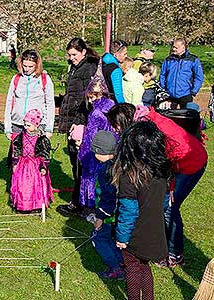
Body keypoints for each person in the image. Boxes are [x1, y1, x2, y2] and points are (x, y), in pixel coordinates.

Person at [107, 103, 208, 267]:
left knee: (169, 208)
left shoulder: (149, 130)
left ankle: (174, 254)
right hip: (175, 163)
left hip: (191, 163)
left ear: (124, 121)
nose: (114, 130)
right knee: (159, 205)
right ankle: (158, 246)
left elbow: (162, 162)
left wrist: (171, 187)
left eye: (115, 125)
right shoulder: (141, 124)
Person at [113, 121, 170, 300]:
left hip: (135, 233)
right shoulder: (161, 171)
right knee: (144, 267)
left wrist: (122, 237)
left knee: (132, 268)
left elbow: (128, 211)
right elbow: (164, 201)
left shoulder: (129, 175)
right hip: (154, 230)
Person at [56, 38, 99, 216]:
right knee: (75, 164)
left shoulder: (89, 68)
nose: (71, 57)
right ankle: (80, 201)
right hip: (72, 119)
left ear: (83, 52)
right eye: (69, 54)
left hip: (80, 122)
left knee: (82, 164)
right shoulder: (75, 67)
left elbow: (87, 99)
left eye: (74, 54)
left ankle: (81, 203)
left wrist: (79, 121)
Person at [77, 77, 115, 216]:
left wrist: (83, 153)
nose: (91, 101)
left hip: (95, 151)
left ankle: (89, 206)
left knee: (90, 178)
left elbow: (90, 136)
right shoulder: (112, 107)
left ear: (100, 95)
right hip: (110, 149)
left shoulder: (95, 113)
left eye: (92, 97)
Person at [89, 131, 124, 280]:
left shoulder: (106, 171)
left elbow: (108, 197)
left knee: (99, 238)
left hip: (108, 215)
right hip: (120, 214)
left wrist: (100, 217)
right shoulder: (119, 164)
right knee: (115, 238)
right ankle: (122, 262)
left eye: (95, 151)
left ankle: (115, 267)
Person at [4, 49, 55, 141]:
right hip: (17, 124)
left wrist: (49, 128)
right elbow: (9, 103)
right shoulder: (16, 78)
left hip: (38, 125)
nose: (27, 69)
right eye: (25, 66)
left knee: (36, 155)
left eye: (31, 66)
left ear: (37, 65)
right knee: (17, 155)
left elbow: (50, 104)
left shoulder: (45, 79)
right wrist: (8, 128)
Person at [10, 109, 53, 212]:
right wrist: (15, 163)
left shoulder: (41, 139)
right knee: (23, 185)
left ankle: (36, 205)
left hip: (35, 165)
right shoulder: (20, 137)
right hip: (23, 165)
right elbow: (16, 149)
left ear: (36, 125)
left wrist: (43, 167)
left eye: (28, 125)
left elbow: (45, 154)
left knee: (36, 186)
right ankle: (23, 205)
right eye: (25, 125)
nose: (26, 127)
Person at [159, 38, 204, 109]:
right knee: (169, 117)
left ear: (183, 48)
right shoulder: (168, 60)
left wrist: (193, 91)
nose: (173, 49)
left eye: (176, 47)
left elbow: (199, 77)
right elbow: (162, 75)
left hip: (186, 94)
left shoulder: (193, 59)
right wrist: (163, 89)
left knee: (185, 117)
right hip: (170, 94)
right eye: (173, 47)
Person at [102, 40, 128, 104]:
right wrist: (123, 106)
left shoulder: (102, 61)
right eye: (124, 54)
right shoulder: (115, 70)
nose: (126, 56)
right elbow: (118, 93)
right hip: (110, 104)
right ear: (116, 54)